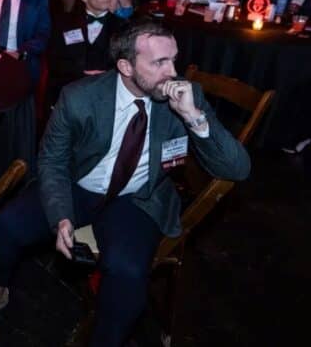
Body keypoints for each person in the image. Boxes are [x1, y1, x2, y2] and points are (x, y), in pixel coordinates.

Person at [38, 19, 251, 347]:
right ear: (125, 66)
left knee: (126, 275)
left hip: (138, 196)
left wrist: (194, 117)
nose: (173, 71)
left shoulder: (184, 96)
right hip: (80, 184)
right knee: (8, 224)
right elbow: (52, 161)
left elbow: (238, 169)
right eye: (159, 62)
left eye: (174, 59)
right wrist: (60, 213)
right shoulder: (81, 96)